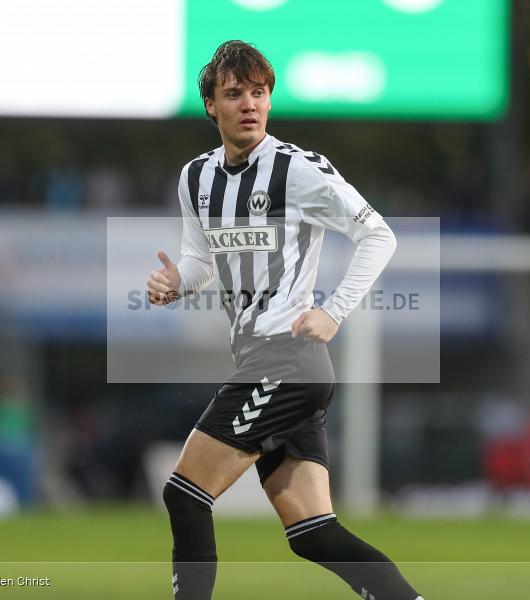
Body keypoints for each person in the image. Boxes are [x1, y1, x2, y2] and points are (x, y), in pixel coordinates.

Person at [146, 40, 423, 600]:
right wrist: (178, 284)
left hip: (287, 359)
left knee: (185, 491)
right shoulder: (195, 177)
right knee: (313, 534)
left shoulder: (298, 170)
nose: (249, 103)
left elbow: (378, 235)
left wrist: (333, 311)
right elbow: (201, 259)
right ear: (211, 105)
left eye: (259, 92)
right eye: (234, 93)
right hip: (263, 360)